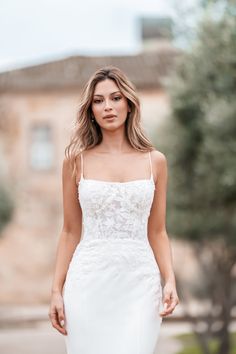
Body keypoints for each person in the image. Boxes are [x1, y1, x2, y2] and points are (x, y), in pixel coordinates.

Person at [48, 65, 179, 354]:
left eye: (116, 98)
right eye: (98, 100)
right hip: (87, 284)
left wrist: (169, 279)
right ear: (90, 110)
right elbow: (70, 231)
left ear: (129, 104)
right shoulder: (75, 162)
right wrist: (57, 291)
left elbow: (157, 231)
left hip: (140, 285)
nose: (107, 106)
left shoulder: (155, 162)